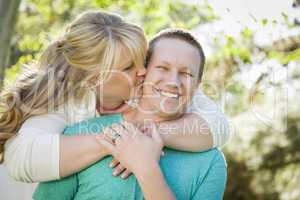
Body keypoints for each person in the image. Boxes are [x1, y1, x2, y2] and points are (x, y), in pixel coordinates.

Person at [0, 10, 229, 197]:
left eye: (143, 60)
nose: (142, 70)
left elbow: (219, 125)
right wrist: (120, 141)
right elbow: (20, 159)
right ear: (94, 81)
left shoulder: (160, 84)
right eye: (129, 67)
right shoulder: (64, 103)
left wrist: (145, 134)